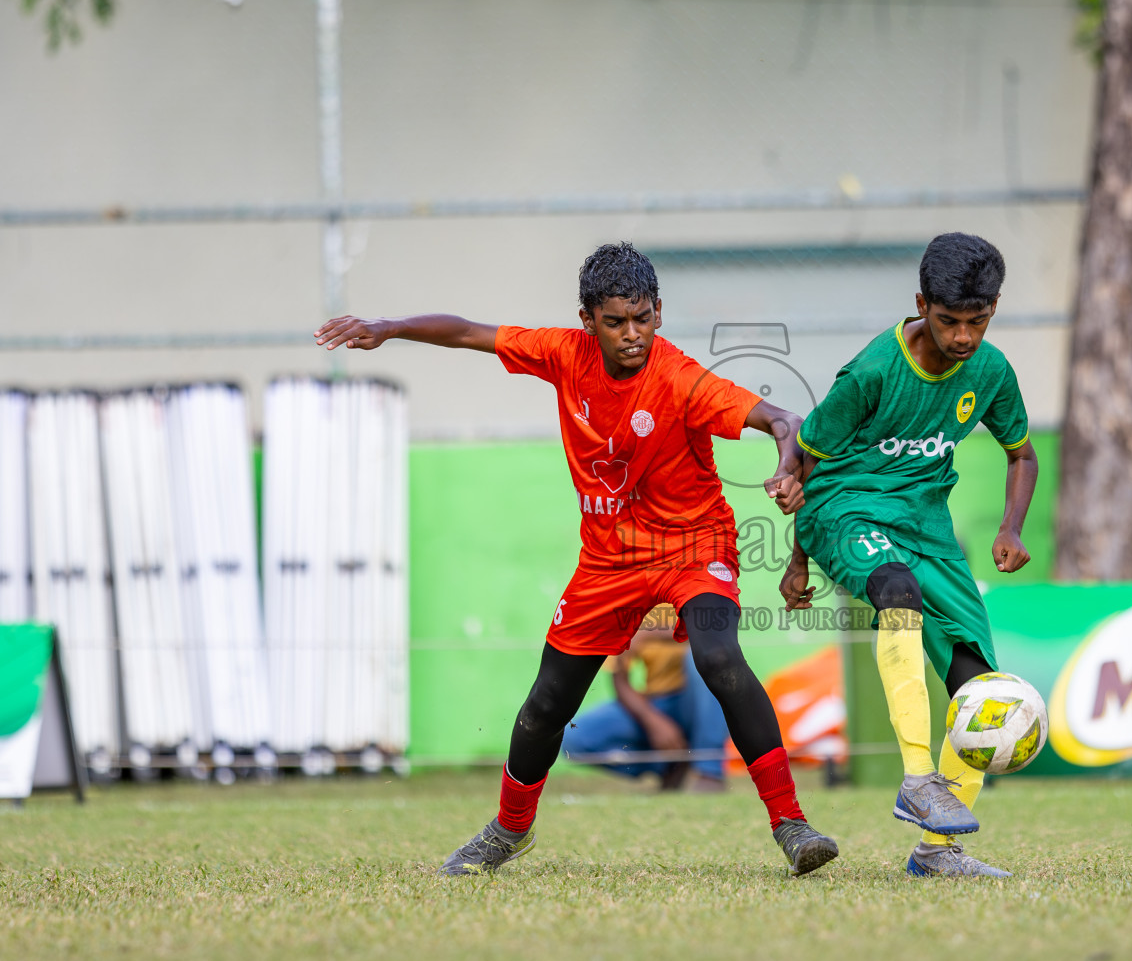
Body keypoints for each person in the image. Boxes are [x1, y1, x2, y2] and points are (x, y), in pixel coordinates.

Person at [315, 242, 838, 877]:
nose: (631, 335)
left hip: (693, 545)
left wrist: (788, 470)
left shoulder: (681, 379)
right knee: (545, 706)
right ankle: (508, 829)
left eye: (642, 318)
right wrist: (389, 328)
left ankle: (791, 824)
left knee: (720, 657)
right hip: (609, 561)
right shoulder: (564, 354)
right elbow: (468, 333)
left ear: (659, 313)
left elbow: (785, 420)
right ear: (588, 320)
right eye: (615, 322)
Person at [778, 232, 1037, 878]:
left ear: (993, 309)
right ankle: (917, 778)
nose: (963, 338)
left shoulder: (991, 371)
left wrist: (1011, 528)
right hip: (846, 509)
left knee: (982, 689)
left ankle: (937, 853)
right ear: (922, 304)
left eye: (977, 322)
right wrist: (797, 558)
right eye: (949, 321)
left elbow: (1022, 454)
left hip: (927, 525)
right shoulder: (872, 371)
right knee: (896, 588)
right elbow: (807, 462)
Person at [562, 608, 728, 791]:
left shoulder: (698, 592)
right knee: (573, 739)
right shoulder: (629, 603)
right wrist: (653, 720)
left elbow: (713, 636)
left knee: (701, 659)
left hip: (699, 702)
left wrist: (647, 633)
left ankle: (709, 772)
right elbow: (620, 679)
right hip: (656, 703)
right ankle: (669, 766)